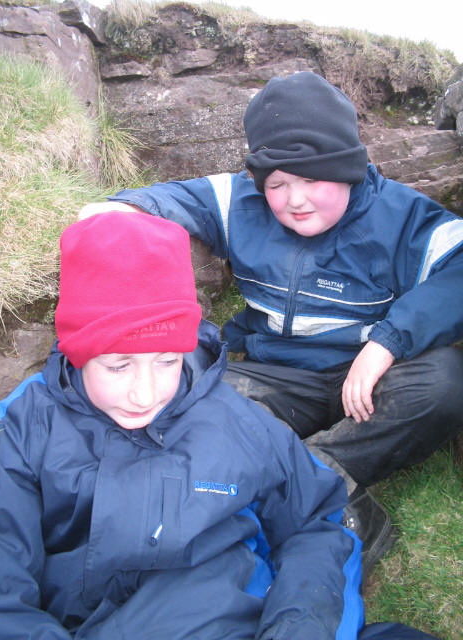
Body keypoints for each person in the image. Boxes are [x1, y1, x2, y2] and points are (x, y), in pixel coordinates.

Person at [78, 71, 463, 581]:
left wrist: (387, 343)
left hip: (374, 378)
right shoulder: (241, 200)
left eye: (312, 179)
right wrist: (117, 211)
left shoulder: (404, 216)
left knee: (445, 383)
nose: (294, 200)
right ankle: (319, 484)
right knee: (203, 406)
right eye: (278, 183)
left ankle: (298, 475)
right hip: (276, 374)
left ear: (348, 170)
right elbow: (174, 198)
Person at [0, 212, 439, 640]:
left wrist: (298, 628)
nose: (145, 394)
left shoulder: (235, 419)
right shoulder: (18, 433)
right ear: (78, 352)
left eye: (167, 360)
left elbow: (317, 523)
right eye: (118, 366)